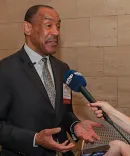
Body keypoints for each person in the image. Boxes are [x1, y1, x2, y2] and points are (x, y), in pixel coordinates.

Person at [0, 5, 102, 156]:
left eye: (58, 26)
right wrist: (35, 138)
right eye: (49, 25)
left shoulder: (62, 69)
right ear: (28, 28)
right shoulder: (5, 69)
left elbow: (65, 112)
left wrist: (75, 125)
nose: (56, 32)